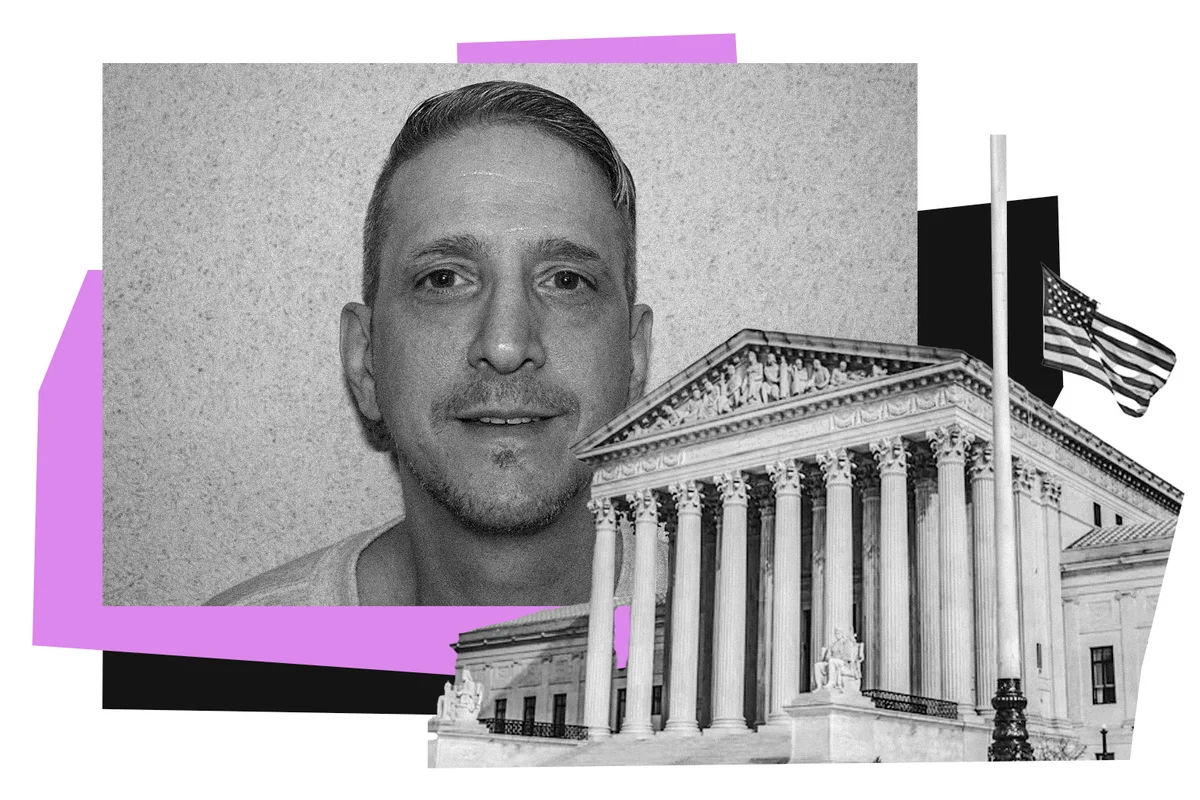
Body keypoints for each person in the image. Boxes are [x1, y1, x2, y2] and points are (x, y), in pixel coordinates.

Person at [207, 81, 653, 606]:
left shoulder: (762, 635)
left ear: (635, 356)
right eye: (444, 280)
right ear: (365, 360)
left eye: (566, 281)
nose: (506, 347)